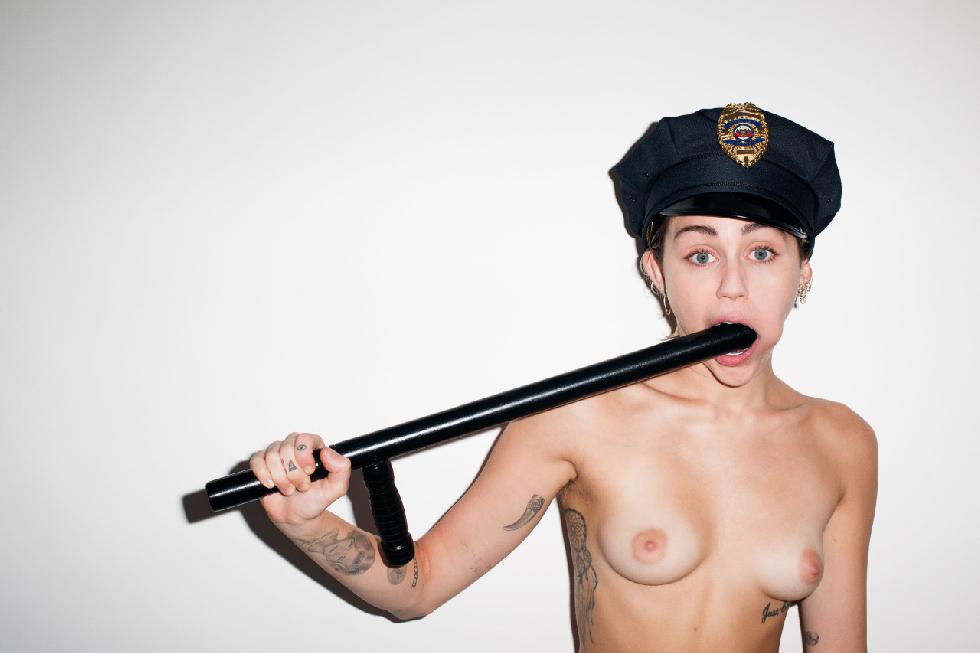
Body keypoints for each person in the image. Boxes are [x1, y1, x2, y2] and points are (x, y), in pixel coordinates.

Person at [247, 102, 878, 652]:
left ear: (802, 273)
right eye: (701, 254)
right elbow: (417, 588)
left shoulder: (841, 441)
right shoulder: (577, 416)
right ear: (657, 272)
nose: (733, 287)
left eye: (762, 253)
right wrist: (307, 524)